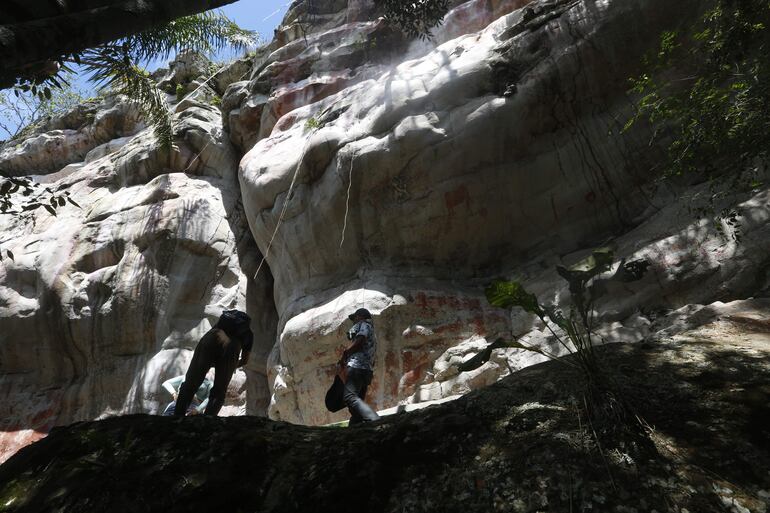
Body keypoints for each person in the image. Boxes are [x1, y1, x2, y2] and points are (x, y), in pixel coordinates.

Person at [174, 309, 253, 417]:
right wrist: (230, 366)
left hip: (211, 338)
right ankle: (208, 420)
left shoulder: (220, 324)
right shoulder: (248, 334)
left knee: (190, 383)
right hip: (233, 347)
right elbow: (245, 360)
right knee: (219, 391)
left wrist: (212, 363)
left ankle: (177, 417)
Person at [339, 307, 380, 424]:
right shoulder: (372, 331)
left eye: (355, 319)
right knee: (358, 401)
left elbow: (360, 340)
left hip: (357, 367)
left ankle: (375, 419)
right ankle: (356, 424)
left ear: (360, 317)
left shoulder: (364, 325)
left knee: (349, 397)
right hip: (366, 370)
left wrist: (345, 354)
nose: (354, 322)